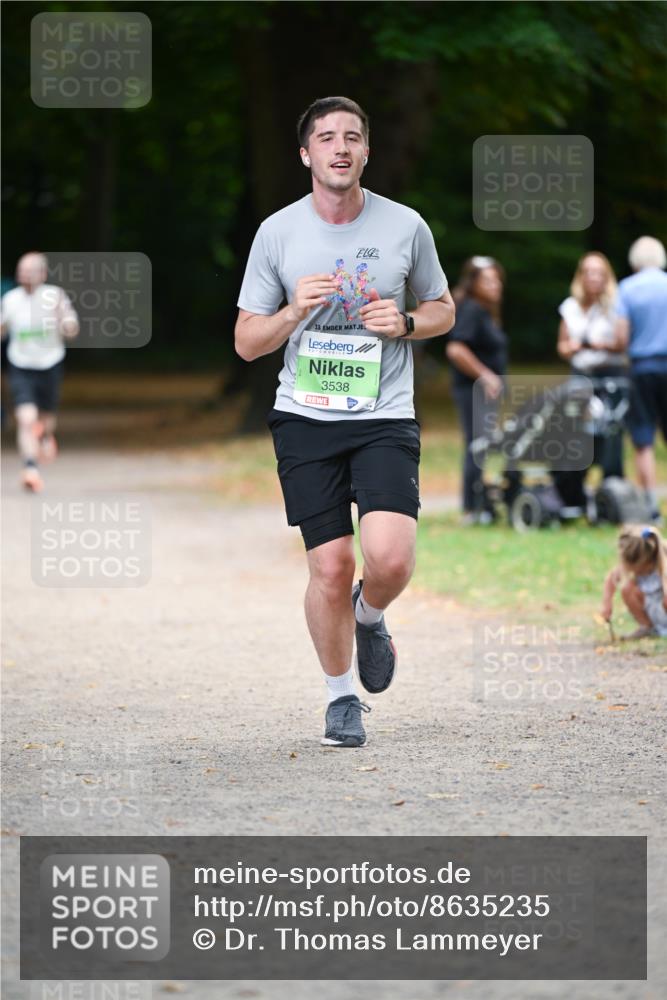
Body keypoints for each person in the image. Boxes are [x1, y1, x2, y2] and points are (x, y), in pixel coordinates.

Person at [235, 96, 454, 748]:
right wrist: (290, 313)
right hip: (305, 415)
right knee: (328, 566)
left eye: (351, 137)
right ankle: (340, 699)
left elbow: (443, 308)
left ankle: (371, 613)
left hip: (383, 412)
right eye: (325, 137)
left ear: (365, 151)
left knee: (387, 558)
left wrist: (408, 323)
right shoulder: (277, 232)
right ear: (305, 154)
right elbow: (248, 342)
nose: (339, 147)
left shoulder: (405, 226)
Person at [1, 252, 79, 491]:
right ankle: (30, 468)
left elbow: (72, 329)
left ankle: (45, 436)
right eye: (21, 270)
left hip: (50, 363)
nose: (24, 275)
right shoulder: (10, 299)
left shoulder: (54, 296)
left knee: (46, 418)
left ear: (42, 274)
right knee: (25, 418)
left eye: (30, 270)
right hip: (20, 364)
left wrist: (64, 323)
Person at [555, 252, 629, 504]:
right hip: (581, 378)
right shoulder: (570, 307)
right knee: (577, 433)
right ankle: (573, 492)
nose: (594, 278)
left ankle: (612, 491)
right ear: (581, 276)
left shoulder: (616, 305)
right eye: (589, 272)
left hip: (609, 377)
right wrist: (574, 347)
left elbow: (621, 343)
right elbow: (562, 346)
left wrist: (598, 345)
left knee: (610, 434)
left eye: (599, 272)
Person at [445, 256, 507, 523]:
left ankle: (481, 505)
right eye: (488, 281)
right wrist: (486, 376)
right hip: (471, 390)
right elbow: (455, 348)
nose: (495, 286)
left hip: (481, 393)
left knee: (480, 445)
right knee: (476, 445)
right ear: (473, 283)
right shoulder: (471, 309)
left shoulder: (483, 311)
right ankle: (472, 509)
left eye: (497, 280)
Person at [615, 236, 667, 523]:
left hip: (642, 367)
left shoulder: (627, 288)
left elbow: (621, 336)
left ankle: (651, 505)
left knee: (643, 438)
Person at [600, 524, 667, 640]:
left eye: (639, 569)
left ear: (647, 560)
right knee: (627, 588)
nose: (635, 572)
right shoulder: (632, 563)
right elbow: (611, 579)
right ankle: (647, 627)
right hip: (652, 609)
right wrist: (607, 604)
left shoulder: (663, 559)